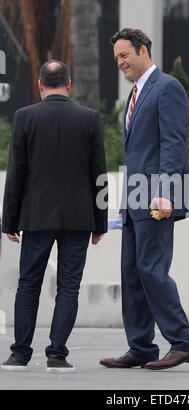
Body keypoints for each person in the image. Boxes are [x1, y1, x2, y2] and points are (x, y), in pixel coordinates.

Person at [100, 28, 189, 371]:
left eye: (125, 55)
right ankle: (141, 346)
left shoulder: (167, 87)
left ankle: (184, 342)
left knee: (151, 268)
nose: (120, 62)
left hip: (157, 196)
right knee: (131, 271)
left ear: (143, 50)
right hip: (135, 197)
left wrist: (167, 193)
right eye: (116, 58)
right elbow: (139, 151)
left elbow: (173, 143)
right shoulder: (136, 93)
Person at [1, 60, 107, 373]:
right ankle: (57, 355)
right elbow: (98, 174)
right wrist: (99, 223)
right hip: (78, 217)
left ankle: (19, 355)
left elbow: (16, 174)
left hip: (36, 217)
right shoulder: (90, 118)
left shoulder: (24, 117)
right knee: (69, 287)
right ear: (69, 84)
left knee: (28, 285)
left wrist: (10, 221)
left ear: (40, 84)